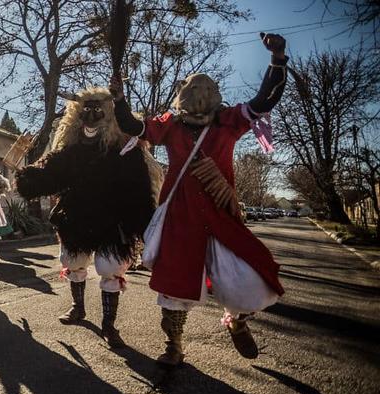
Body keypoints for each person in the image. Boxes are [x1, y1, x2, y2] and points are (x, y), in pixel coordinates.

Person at [110, 33, 288, 365]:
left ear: (216, 96)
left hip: (221, 214)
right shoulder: (170, 126)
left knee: (246, 279)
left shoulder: (230, 121)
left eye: (207, 91)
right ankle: (173, 345)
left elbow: (265, 99)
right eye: (194, 91)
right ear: (183, 96)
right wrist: (119, 99)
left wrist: (277, 59)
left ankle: (237, 321)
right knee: (175, 285)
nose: (200, 97)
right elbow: (134, 127)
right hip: (180, 217)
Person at [16, 87, 157, 348]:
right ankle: (77, 307)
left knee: (109, 267)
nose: (91, 116)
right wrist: (27, 177)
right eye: (86, 110)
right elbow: (51, 171)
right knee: (73, 260)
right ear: (77, 114)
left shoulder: (125, 149)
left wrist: (143, 223)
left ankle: (108, 324)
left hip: (111, 218)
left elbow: (138, 187)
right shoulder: (71, 150)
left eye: (97, 110)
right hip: (76, 214)